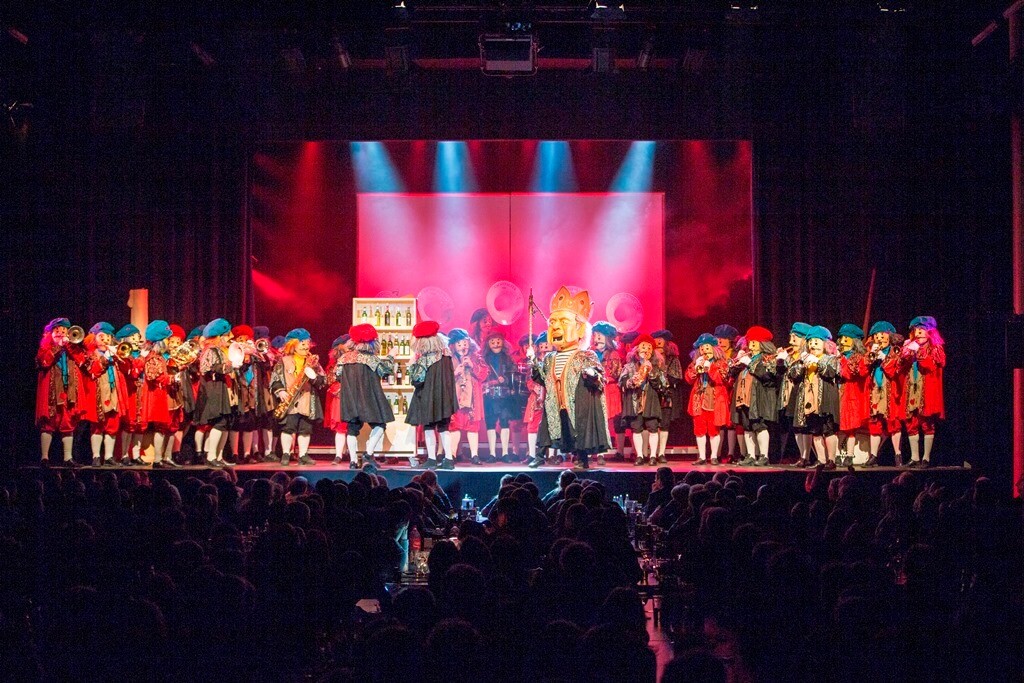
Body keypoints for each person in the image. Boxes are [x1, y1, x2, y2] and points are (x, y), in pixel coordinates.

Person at [530, 286, 610, 471]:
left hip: (576, 402)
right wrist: (534, 363)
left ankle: (581, 458)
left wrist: (591, 374)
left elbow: (599, 377)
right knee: (546, 426)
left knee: (578, 429)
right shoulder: (550, 358)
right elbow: (542, 378)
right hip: (554, 401)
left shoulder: (586, 355)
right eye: (553, 322)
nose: (556, 327)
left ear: (580, 329)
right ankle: (539, 456)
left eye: (563, 322)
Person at [337, 323, 396, 469]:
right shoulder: (371, 359)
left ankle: (353, 461)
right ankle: (368, 454)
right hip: (368, 397)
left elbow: (337, 376)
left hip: (350, 397)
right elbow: (386, 370)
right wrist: (391, 356)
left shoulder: (343, 359)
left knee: (352, 429)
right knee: (380, 424)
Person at [406, 321, 458, 469]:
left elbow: (417, 380)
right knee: (444, 427)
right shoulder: (446, 355)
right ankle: (449, 460)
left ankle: (431, 459)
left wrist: (411, 366)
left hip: (428, 396)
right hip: (445, 396)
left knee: (428, 427)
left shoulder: (424, 359)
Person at [271, 328, 327, 466]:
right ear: (293, 345)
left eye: (307, 343)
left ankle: (303, 455)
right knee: (287, 428)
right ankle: (286, 453)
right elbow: (275, 379)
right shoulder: (283, 361)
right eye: (302, 343)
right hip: (289, 400)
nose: (306, 346)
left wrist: (314, 378)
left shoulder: (313, 361)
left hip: (307, 399)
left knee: (305, 429)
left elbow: (322, 380)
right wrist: (280, 391)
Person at [35, 317, 86, 465]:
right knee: (48, 423)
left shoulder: (73, 349)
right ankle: (44, 457)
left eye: (64, 331)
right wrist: (57, 347)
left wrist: (69, 346)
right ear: (50, 334)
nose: (61, 333)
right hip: (51, 392)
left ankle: (68, 458)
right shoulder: (45, 348)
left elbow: (83, 361)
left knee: (68, 423)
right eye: (57, 331)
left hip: (69, 391)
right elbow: (44, 362)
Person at [789, 326, 841, 469]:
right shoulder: (804, 360)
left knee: (828, 429)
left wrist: (818, 363)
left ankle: (831, 460)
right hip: (808, 399)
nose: (813, 345)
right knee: (815, 430)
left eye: (816, 342)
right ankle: (821, 460)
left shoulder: (831, 359)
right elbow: (793, 376)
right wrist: (801, 364)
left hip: (825, 399)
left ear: (825, 344)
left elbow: (831, 373)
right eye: (810, 342)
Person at [900, 316, 945, 467]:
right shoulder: (910, 347)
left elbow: (930, 365)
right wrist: (905, 353)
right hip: (911, 389)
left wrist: (918, 351)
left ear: (930, 332)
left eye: (922, 330)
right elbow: (900, 367)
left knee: (927, 423)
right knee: (911, 422)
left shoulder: (935, 348)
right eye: (916, 330)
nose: (918, 333)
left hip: (926, 391)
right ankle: (914, 457)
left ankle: (926, 458)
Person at [730, 325, 779, 467]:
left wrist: (750, 363)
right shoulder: (747, 358)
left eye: (754, 342)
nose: (751, 345)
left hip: (759, 397)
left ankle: (764, 455)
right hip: (744, 397)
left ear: (762, 344)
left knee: (759, 425)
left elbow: (767, 376)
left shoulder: (768, 357)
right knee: (747, 426)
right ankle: (750, 455)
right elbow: (731, 375)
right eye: (750, 342)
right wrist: (736, 364)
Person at [82, 322, 129, 466]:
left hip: (114, 392)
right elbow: (93, 371)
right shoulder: (90, 354)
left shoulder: (114, 354)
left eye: (108, 337)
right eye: (102, 337)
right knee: (97, 425)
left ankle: (109, 457)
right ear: (94, 338)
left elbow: (127, 369)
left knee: (112, 425)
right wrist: (106, 357)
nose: (105, 340)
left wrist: (120, 357)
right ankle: (96, 456)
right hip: (98, 393)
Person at [620, 333, 670, 467]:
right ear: (637, 350)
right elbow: (622, 382)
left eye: (649, 348)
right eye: (643, 347)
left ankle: (653, 455)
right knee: (636, 428)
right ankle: (640, 455)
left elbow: (664, 385)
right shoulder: (629, 366)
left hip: (651, 401)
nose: (645, 351)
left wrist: (652, 373)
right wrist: (632, 381)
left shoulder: (657, 367)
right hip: (635, 401)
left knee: (653, 427)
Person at [197, 318, 240, 467]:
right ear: (219, 336)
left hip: (224, 389)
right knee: (218, 422)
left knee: (225, 423)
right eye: (227, 336)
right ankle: (211, 456)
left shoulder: (221, 350)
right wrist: (229, 366)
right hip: (214, 390)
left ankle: (219, 456)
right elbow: (206, 368)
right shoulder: (211, 350)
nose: (229, 339)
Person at [139, 320, 181, 468]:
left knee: (168, 426)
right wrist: (172, 378)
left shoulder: (160, 357)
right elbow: (152, 376)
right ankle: (157, 459)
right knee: (160, 426)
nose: (169, 342)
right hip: (157, 395)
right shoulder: (153, 357)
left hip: (164, 393)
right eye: (167, 339)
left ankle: (165, 457)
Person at [863, 321, 905, 467]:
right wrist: (870, 356)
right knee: (875, 423)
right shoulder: (872, 351)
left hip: (890, 392)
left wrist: (884, 358)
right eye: (876, 336)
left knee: (894, 423)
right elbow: (863, 370)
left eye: (883, 335)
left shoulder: (895, 351)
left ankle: (898, 455)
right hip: (875, 391)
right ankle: (873, 456)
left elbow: (895, 371)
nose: (879, 338)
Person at [684, 333, 730, 465]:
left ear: (714, 349)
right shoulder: (696, 363)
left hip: (715, 400)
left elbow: (722, 380)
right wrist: (695, 369)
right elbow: (688, 379)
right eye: (702, 349)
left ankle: (714, 456)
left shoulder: (721, 363)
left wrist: (709, 368)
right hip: (699, 399)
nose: (705, 351)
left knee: (714, 430)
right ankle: (702, 457)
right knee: (699, 429)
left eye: (707, 348)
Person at [447, 328, 489, 465]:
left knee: (473, 426)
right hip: (455, 398)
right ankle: (452, 455)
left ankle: (474, 455)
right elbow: (443, 379)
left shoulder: (476, 357)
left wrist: (472, 366)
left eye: (465, 343)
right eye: (459, 344)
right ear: (453, 345)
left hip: (472, 400)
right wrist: (455, 373)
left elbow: (484, 374)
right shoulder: (449, 359)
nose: (463, 346)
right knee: (454, 425)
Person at [481, 330, 520, 463]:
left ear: (503, 342)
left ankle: (505, 453)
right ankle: (492, 453)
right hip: (489, 395)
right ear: (488, 344)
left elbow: (514, 373)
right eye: (492, 342)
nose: (496, 344)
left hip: (505, 396)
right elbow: (480, 374)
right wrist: (490, 382)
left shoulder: (508, 358)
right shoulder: (484, 359)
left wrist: (506, 379)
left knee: (505, 422)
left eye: (498, 341)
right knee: (490, 423)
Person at [777, 322, 812, 466]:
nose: (791, 342)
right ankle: (801, 457)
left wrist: (787, 359)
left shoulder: (806, 356)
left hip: (804, 394)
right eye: (791, 338)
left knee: (804, 426)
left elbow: (796, 374)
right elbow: (780, 373)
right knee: (795, 426)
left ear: (804, 340)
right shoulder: (791, 355)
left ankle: (806, 456)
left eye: (795, 338)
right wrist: (780, 361)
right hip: (791, 395)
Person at [836, 323, 870, 467]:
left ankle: (849, 455)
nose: (843, 342)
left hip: (851, 397)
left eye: (847, 339)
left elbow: (851, 374)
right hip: (837, 395)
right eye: (842, 339)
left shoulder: (858, 358)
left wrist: (842, 361)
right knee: (837, 427)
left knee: (850, 428)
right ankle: (837, 454)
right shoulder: (837, 357)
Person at [592, 321, 627, 460]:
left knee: (617, 421)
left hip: (611, 389)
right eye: (595, 335)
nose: (597, 338)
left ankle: (620, 451)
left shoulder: (613, 354)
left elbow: (617, 373)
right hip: (597, 389)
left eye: (600, 335)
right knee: (599, 421)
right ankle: (600, 451)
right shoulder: (592, 354)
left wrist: (604, 377)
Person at [714, 323, 747, 464]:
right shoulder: (715, 355)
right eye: (718, 339)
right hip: (719, 392)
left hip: (733, 391)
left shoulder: (736, 355)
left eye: (724, 339)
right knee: (720, 423)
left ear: (731, 340)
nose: (720, 341)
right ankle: (717, 453)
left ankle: (731, 453)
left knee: (732, 423)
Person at [652, 329, 684, 464]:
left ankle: (661, 452)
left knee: (664, 424)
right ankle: (651, 453)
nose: (658, 342)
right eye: (656, 339)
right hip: (653, 394)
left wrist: (663, 378)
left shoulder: (673, 359)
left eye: (661, 339)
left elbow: (677, 377)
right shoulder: (651, 358)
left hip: (667, 395)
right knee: (652, 424)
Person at [324, 334, 354, 466]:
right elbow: (330, 380)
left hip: (351, 394)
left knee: (351, 427)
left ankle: (350, 454)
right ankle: (338, 455)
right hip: (340, 396)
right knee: (341, 426)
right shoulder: (334, 364)